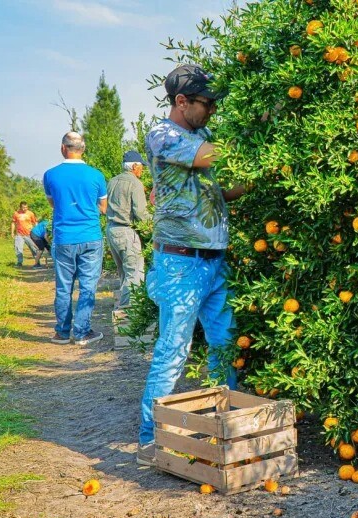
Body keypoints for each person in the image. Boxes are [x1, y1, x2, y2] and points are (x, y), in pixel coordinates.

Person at [137, 64, 245, 465]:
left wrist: (256, 175)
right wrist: (254, 134)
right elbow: (208, 159)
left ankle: (225, 428)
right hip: (180, 263)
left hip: (214, 262)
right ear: (181, 101)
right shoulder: (163, 136)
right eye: (206, 102)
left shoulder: (204, 136)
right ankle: (150, 441)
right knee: (172, 352)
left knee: (225, 344)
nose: (212, 110)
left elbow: (219, 192)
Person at [43, 132, 108, 346]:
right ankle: (81, 332)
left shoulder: (50, 175)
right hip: (90, 235)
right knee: (88, 286)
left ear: (63, 148)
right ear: (84, 148)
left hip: (64, 237)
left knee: (64, 286)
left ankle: (62, 333)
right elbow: (103, 208)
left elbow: (54, 205)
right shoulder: (96, 175)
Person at [106, 151, 150, 319]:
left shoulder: (112, 181)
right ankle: (128, 311)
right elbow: (140, 213)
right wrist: (153, 228)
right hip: (126, 231)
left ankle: (124, 305)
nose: (142, 171)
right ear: (134, 166)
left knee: (124, 272)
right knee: (135, 272)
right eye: (140, 167)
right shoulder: (135, 183)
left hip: (111, 230)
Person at [11, 201, 38, 267]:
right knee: (18, 248)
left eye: (26, 207)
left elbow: (35, 223)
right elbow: (13, 223)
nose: (25, 209)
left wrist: (37, 232)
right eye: (23, 207)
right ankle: (19, 262)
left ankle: (37, 262)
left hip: (29, 234)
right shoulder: (16, 213)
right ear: (20, 207)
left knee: (34, 248)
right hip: (19, 235)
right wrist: (12, 232)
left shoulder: (30, 213)